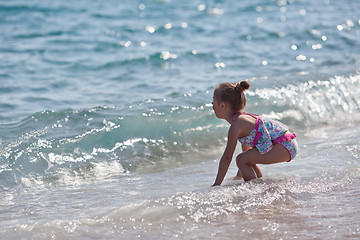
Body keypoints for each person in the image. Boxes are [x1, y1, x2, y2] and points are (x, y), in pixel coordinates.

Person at [211, 81, 298, 186]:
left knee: (241, 159)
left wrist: (216, 184)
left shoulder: (236, 126)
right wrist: (240, 175)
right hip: (287, 144)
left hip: (284, 144)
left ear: (222, 105)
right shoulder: (241, 121)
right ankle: (261, 184)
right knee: (245, 159)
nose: (212, 104)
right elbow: (248, 153)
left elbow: (227, 158)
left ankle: (256, 189)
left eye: (213, 100)